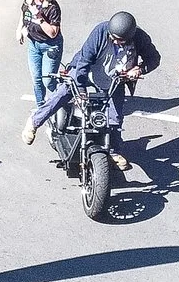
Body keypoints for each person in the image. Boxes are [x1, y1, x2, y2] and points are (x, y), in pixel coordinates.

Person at [21, 11, 158, 176]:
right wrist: (80, 91)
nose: (114, 40)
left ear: (130, 36)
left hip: (114, 77)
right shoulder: (100, 31)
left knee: (115, 116)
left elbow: (154, 59)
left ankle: (113, 151)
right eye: (112, 37)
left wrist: (139, 69)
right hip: (87, 70)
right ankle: (34, 122)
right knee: (63, 92)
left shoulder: (140, 38)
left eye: (119, 40)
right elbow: (84, 62)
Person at [19, 0, 63, 106]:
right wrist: (19, 29)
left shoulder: (52, 7)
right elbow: (24, 14)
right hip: (33, 44)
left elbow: (53, 33)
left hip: (50, 46)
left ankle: (63, 100)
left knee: (48, 81)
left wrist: (39, 17)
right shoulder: (28, 0)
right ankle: (41, 108)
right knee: (36, 79)